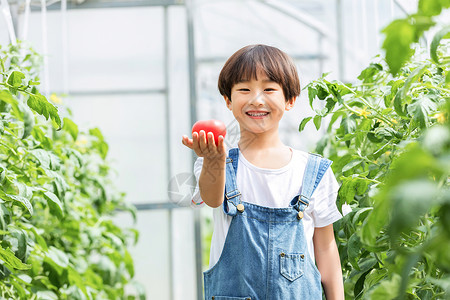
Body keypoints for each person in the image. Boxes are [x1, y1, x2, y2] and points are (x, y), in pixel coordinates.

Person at [182, 44, 344, 300]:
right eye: (244, 89)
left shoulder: (313, 172)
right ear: (228, 100)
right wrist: (214, 161)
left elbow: (326, 248)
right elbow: (212, 198)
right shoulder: (219, 161)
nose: (256, 99)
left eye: (269, 89)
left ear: (289, 100)